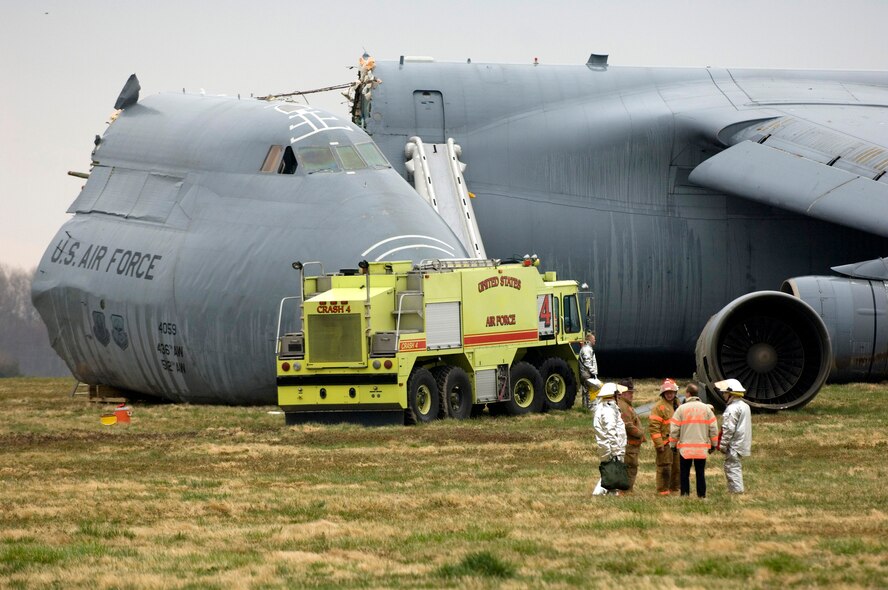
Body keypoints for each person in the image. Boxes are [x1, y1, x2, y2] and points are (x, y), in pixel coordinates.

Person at [669, 384, 718, 498]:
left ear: (688, 394)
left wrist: (673, 444)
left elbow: (674, 429)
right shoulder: (707, 409)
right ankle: (701, 495)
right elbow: (713, 428)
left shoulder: (681, 409)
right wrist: (713, 444)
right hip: (701, 448)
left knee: (684, 473)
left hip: (685, 449)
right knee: (700, 473)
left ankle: (685, 495)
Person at [716, 378, 753, 494]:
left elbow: (728, 429)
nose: (723, 395)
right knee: (735, 466)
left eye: (725, 393)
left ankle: (736, 492)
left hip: (734, 443)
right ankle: (737, 490)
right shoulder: (745, 406)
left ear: (731, 392)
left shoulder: (732, 408)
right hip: (742, 442)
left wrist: (722, 445)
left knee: (732, 467)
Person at [592, 383, 627, 496]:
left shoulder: (607, 408)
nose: (620, 396)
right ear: (613, 395)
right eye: (618, 394)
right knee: (610, 473)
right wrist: (616, 450)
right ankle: (597, 494)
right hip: (611, 448)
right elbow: (610, 431)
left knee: (611, 473)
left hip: (609, 446)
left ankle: (612, 495)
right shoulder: (608, 410)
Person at [649, 378, 681, 495]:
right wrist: (659, 443)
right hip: (665, 443)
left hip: (677, 443)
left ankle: (675, 488)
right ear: (663, 393)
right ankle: (663, 490)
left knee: (677, 467)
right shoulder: (659, 407)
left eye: (671, 392)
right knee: (665, 467)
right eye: (667, 393)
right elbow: (654, 427)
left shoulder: (678, 405)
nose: (669, 395)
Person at [617, 378, 645, 492]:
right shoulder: (623, 406)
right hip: (630, 445)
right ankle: (625, 492)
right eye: (629, 392)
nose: (632, 394)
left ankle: (627, 490)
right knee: (630, 469)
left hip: (631, 446)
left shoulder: (625, 405)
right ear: (623, 392)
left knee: (630, 468)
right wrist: (640, 433)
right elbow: (628, 425)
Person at [578, 332, 601, 409]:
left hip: (584, 373)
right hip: (587, 373)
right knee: (591, 391)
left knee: (585, 391)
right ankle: (590, 408)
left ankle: (585, 407)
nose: (595, 340)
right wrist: (593, 373)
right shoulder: (587, 349)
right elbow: (587, 362)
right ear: (590, 339)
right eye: (594, 339)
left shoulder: (586, 349)